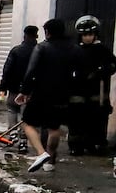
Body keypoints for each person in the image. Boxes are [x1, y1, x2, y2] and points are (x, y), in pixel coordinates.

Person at [17, 18, 84, 172]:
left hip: (42, 93)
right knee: (54, 128)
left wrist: (24, 91)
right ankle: (51, 158)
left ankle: (41, 153)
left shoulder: (42, 48)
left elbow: (31, 71)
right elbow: (81, 72)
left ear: (48, 32)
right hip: (63, 95)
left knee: (27, 123)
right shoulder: (75, 49)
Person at [72, 15, 116, 156]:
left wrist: (101, 71)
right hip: (77, 92)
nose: (88, 38)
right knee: (77, 120)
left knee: (96, 120)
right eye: (85, 35)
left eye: (90, 34)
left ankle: (94, 145)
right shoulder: (75, 50)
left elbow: (113, 65)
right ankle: (76, 146)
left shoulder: (102, 49)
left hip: (97, 93)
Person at [0, 25, 39, 152]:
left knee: (12, 110)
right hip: (30, 90)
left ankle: (12, 134)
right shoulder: (39, 51)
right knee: (25, 116)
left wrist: (3, 87)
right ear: (36, 36)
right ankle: (23, 141)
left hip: (14, 88)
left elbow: (7, 70)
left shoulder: (16, 50)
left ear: (24, 35)